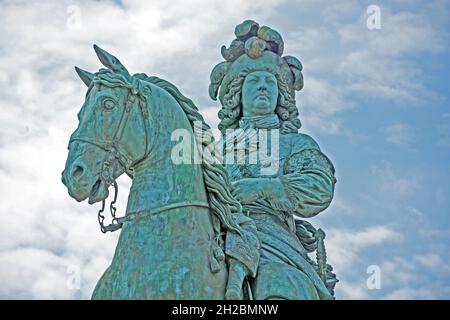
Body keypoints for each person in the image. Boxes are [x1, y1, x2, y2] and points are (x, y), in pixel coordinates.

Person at [209, 20, 338, 300]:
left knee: (276, 283)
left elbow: (319, 187)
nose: (264, 86)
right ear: (237, 95)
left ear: (281, 95)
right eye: (254, 80)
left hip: (273, 240)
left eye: (270, 81)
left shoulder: (295, 144)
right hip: (211, 236)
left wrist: (261, 188)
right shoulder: (213, 152)